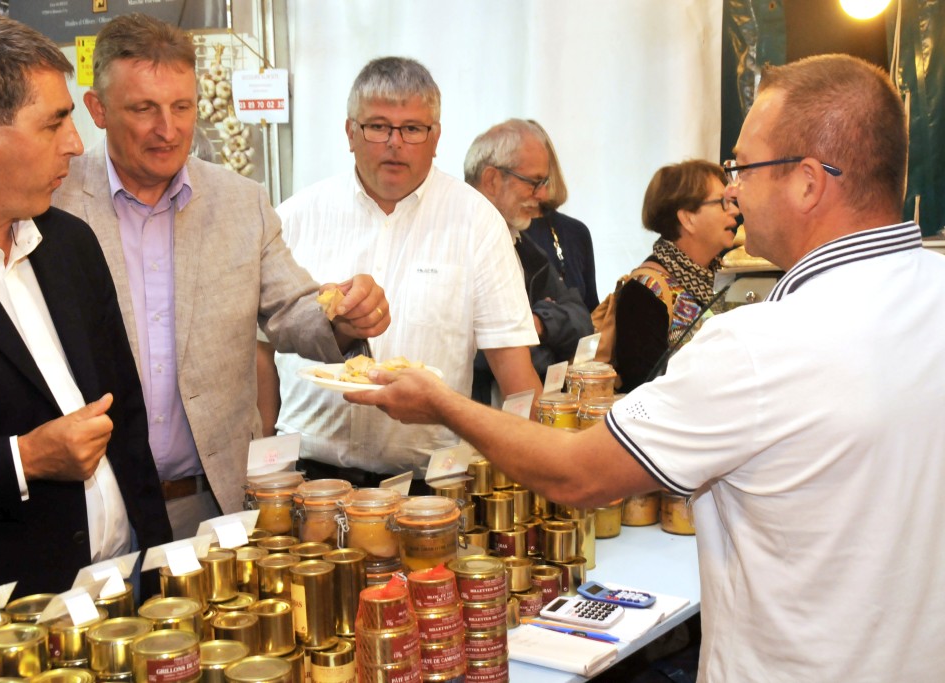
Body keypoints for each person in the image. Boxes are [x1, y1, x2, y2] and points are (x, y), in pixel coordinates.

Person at [347, 54, 945, 680]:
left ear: (807, 183)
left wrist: (439, 402)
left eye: (741, 167)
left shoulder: (761, 345)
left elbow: (578, 474)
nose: (734, 191)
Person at [53, 14, 390, 539]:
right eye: (144, 109)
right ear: (97, 109)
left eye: (182, 107)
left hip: (210, 504)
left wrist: (343, 317)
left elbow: (292, 310)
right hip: (93, 508)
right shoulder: (54, 199)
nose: (168, 130)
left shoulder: (240, 201)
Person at [0, 6, 171, 598]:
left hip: (130, 587)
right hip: (8, 618)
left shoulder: (69, 243)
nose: (76, 144)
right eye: (53, 123)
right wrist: (24, 459)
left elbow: (126, 421)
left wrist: (161, 572)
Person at [271, 57, 541, 487]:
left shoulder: (476, 222)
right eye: (378, 126)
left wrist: (540, 476)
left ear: (436, 138)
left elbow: (516, 378)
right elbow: (259, 353)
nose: (395, 143)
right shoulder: (294, 217)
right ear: (350, 132)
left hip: (428, 491)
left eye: (413, 128)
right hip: (307, 481)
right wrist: (261, 469)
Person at [463, 119, 594, 403]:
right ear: (491, 180)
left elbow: (582, 321)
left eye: (543, 183)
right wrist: (532, 337)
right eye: (534, 182)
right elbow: (474, 354)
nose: (543, 195)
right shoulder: (454, 243)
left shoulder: (524, 247)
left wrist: (538, 322)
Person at [613, 160, 740, 392]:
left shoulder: (730, 276)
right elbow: (643, 387)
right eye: (722, 202)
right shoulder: (644, 291)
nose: (735, 210)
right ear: (687, 218)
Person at [523, 120, 599, 312]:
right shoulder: (493, 231)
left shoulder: (575, 232)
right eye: (524, 176)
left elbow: (591, 310)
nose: (532, 187)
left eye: (538, 178)